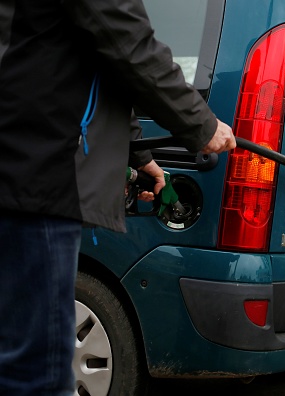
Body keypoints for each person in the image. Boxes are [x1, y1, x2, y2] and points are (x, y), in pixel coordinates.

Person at [0, 1, 235, 394]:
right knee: (37, 369)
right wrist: (202, 123)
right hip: (37, 173)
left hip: (26, 166)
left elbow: (100, 59)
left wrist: (140, 156)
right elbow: (128, 42)